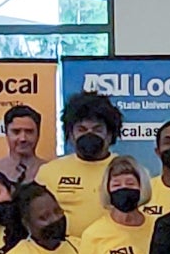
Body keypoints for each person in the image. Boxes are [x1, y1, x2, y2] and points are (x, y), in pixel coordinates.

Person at [40, 90, 122, 236]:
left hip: (113, 252)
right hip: (64, 253)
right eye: (81, 129)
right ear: (70, 135)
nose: (89, 134)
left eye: (97, 129)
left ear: (110, 134)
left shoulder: (128, 170)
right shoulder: (48, 172)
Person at [0, 104, 47, 184]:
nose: (23, 138)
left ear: (38, 134)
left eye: (29, 132)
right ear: (6, 133)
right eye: (16, 132)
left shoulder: (49, 170)